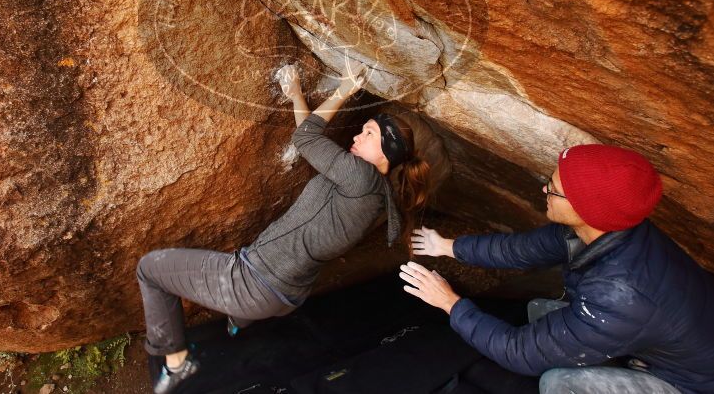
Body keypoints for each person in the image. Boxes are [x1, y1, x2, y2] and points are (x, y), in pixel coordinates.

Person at [137, 63, 431, 393]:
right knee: (247, 289)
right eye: (362, 130)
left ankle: (177, 363)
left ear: (386, 154)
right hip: (287, 294)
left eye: (368, 135)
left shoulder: (359, 177)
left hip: (253, 285)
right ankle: (236, 323)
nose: (356, 136)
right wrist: (295, 96)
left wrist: (344, 89)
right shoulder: (375, 193)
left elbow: (305, 138)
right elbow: (310, 141)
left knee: (150, 269)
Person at [399, 144, 714, 394]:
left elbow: (519, 352)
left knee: (558, 383)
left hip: (690, 383)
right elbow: (519, 250)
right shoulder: (606, 228)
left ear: (587, 209)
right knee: (539, 310)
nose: (543, 190)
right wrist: (447, 247)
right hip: (668, 337)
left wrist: (449, 303)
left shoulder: (620, 297)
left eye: (554, 188)